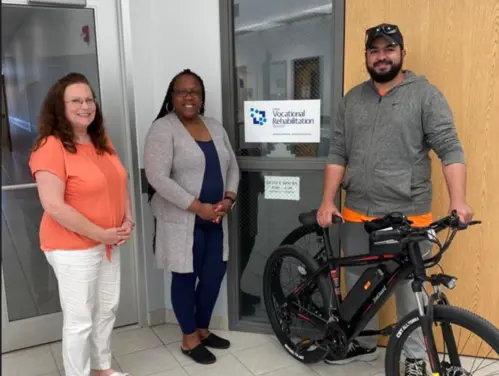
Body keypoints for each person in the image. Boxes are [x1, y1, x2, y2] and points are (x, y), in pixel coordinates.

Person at [316, 24, 473, 376]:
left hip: (408, 215)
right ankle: (363, 343)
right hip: (357, 211)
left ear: (402, 53)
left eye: (389, 49)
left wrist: (458, 200)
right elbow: (337, 152)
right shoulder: (352, 99)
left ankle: (415, 357)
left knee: (408, 289)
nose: (382, 56)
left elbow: (450, 148)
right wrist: (328, 201)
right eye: (374, 50)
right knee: (359, 281)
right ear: (366, 56)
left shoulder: (425, 95)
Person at [29, 72, 134, 376]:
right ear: (59, 106)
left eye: (89, 100)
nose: (85, 106)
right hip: (72, 247)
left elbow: (120, 181)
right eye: (76, 100)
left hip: (108, 243)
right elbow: (54, 205)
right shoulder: (50, 146)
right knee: (80, 321)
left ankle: (102, 368)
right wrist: (101, 232)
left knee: (106, 310)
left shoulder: (99, 139)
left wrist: (128, 219)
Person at [144, 69, 240, 365]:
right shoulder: (163, 128)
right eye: (181, 91)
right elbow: (157, 177)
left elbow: (232, 167)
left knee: (213, 276)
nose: (188, 97)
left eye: (194, 91)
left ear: (202, 97)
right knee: (185, 277)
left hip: (215, 220)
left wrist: (229, 198)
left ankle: (202, 329)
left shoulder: (214, 126)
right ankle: (188, 339)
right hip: (182, 221)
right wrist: (198, 206)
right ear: (172, 97)